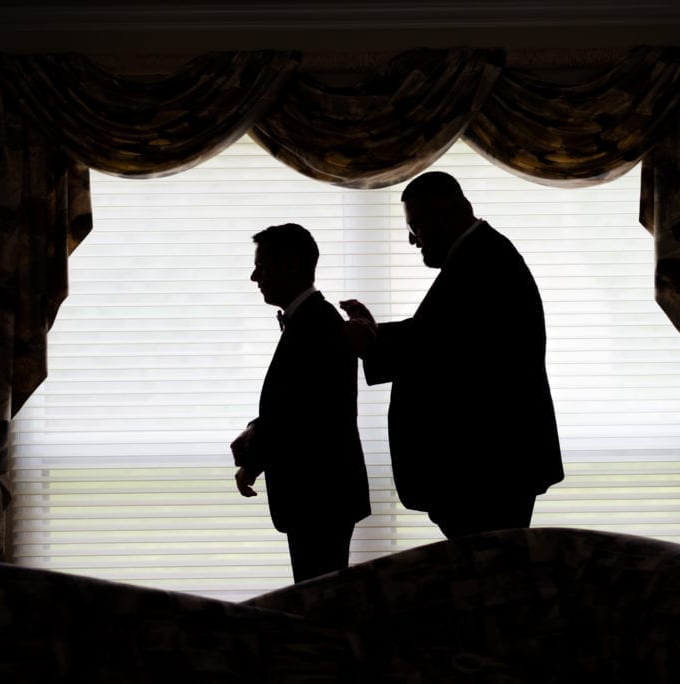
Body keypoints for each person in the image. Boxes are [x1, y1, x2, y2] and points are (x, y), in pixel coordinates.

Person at [339, 171, 563, 538]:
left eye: (415, 225)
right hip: (489, 468)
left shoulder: (482, 260)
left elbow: (442, 348)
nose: (412, 240)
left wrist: (371, 343)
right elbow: (445, 336)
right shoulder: (482, 255)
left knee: (487, 583)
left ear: (446, 212)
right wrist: (375, 334)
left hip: (486, 470)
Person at [231, 223, 371, 582]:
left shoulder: (316, 323)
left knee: (319, 601)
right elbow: (298, 402)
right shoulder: (313, 320)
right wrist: (256, 428)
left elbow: (303, 417)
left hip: (318, 495)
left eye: (261, 267)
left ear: (290, 266)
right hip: (323, 494)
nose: (253, 276)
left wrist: (253, 461)